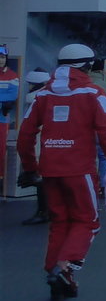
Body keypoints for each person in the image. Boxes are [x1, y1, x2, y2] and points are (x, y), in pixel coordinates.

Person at [16, 43, 106, 299]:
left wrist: (31, 168)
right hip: (80, 170)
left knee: (60, 222)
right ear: (88, 65)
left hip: (49, 169)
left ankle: (56, 269)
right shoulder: (96, 94)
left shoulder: (42, 95)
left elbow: (25, 136)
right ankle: (65, 266)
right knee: (88, 221)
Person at [20, 69, 52, 225]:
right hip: (54, 142)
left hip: (39, 142)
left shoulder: (35, 99)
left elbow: (27, 131)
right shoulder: (52, 96)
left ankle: (43, 211)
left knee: (41, 178)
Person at [0, 44, 20, 191]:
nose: (1, 60)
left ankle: (0, 178)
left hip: (2, 118)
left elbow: (13, 95)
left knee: (0, 149)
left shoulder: (12, 75)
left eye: (2, 57)